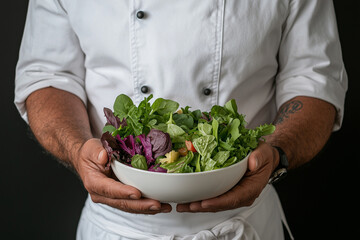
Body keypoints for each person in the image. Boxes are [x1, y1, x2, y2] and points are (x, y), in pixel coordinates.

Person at [14, 0, 347, 239]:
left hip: (242, 223)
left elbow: (314, 78)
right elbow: (48, 75)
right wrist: (77, 149)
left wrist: (276, 153)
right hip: (118, 229)